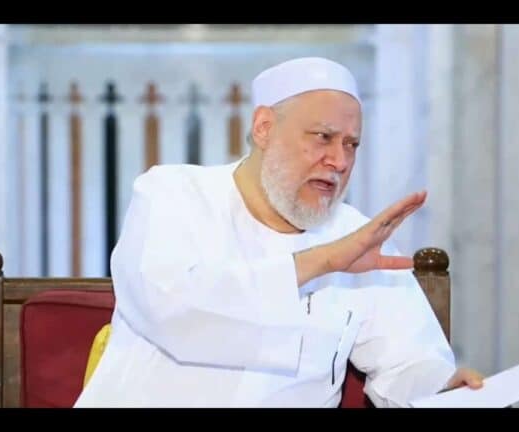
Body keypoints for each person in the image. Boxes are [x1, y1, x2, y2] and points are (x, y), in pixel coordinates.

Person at [74, 57, 483, 408]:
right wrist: (323, 261)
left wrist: (442, 387)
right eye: (323, 137)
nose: (339, 161)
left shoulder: (356, 234)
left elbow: (408, 361)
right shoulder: (173, 195)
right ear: (264, 127)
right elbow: (173, 312)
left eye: (351, 145)